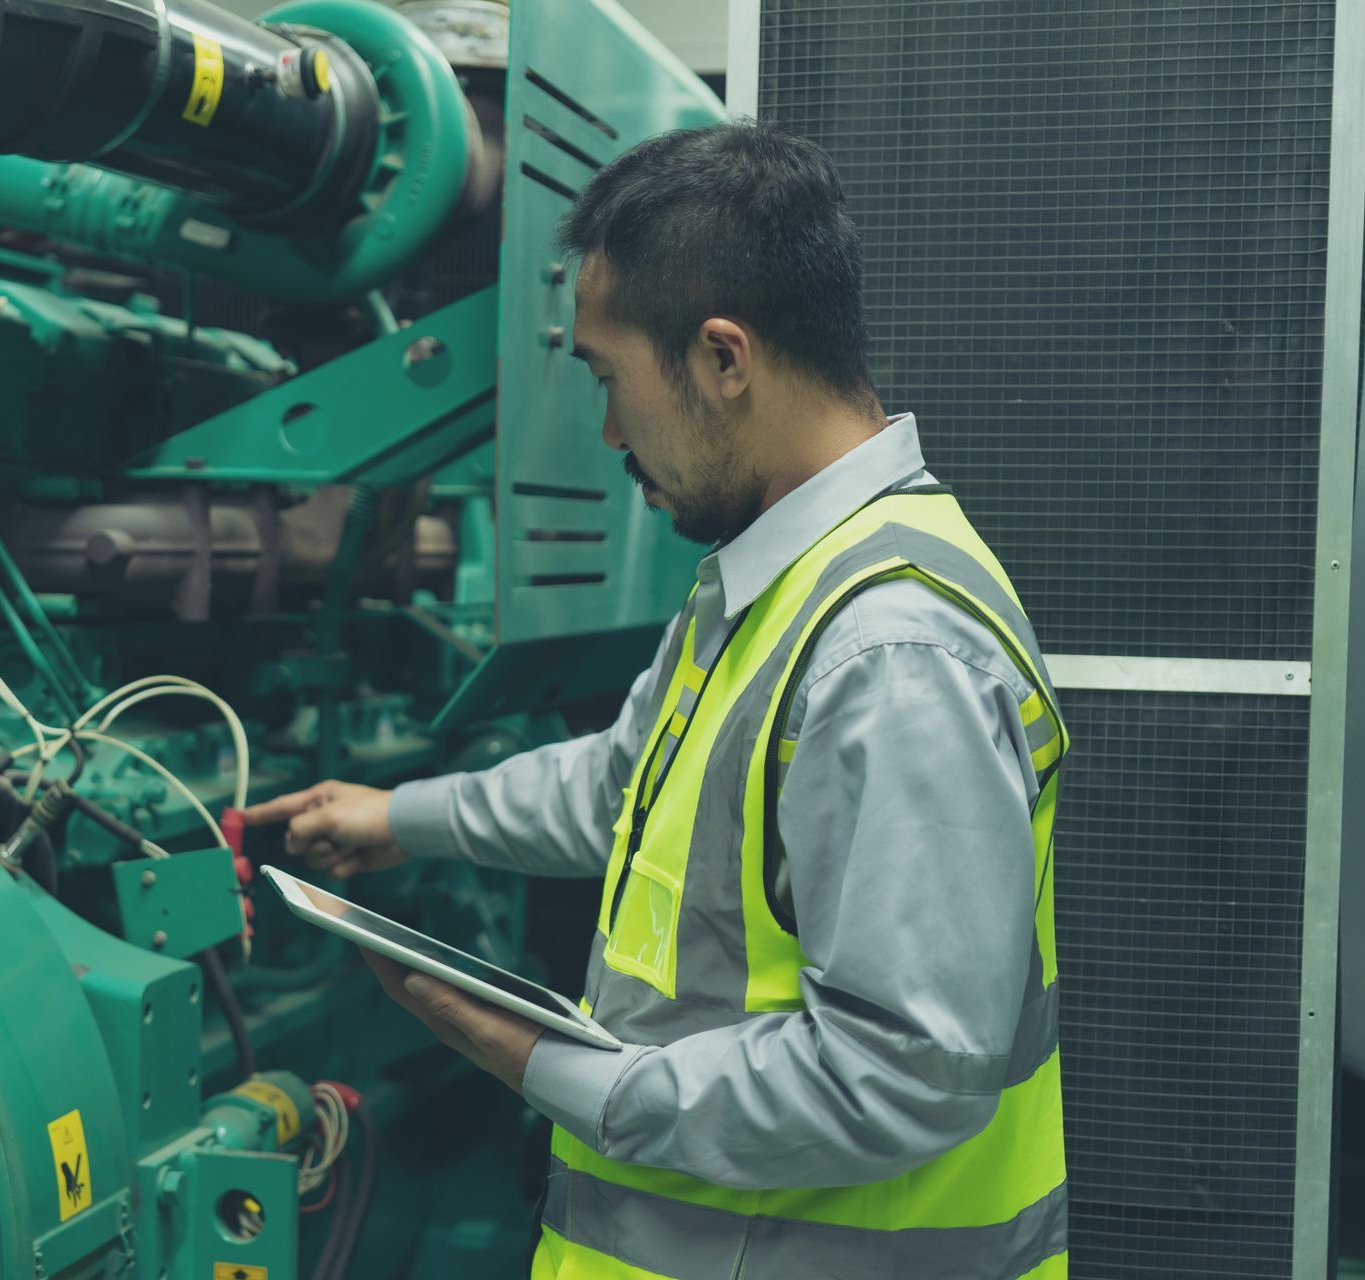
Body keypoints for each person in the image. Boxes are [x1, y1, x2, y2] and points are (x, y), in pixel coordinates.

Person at [246, 120, 1068, 1280]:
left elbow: (901, 1072)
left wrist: (546, 1064)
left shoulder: (885, 652)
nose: (612, 432)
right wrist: (398, 817)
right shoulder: (779, 577)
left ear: (725, 358)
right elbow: (630, 783)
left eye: (610, 379)